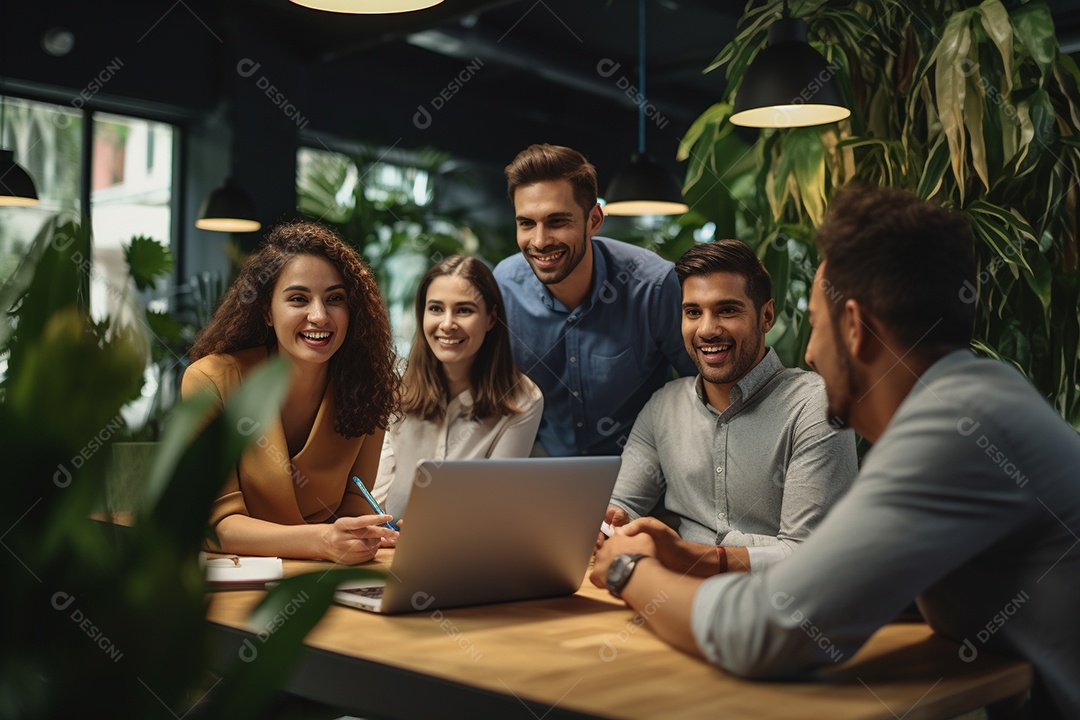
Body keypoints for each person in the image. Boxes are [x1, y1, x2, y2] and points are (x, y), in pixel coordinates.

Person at [590, 185, 1080, 719]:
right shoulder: (980, 399)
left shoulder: (955, 429)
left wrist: (629, 572)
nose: (809, 352)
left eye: (816, 324)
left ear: (854, 327)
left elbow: (762, 631)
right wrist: (691, 558)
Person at [600, 239, 857, 573]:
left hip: (776, 596)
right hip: (674, 586)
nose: (707, 330)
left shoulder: (816, 405)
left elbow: (809, 553)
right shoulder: (663, 405)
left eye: (727, 310)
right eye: (693, 312)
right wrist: (611, 524)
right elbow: (621, 506)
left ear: (766, 316)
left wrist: (692, 556)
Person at [182, 220, 400, 565]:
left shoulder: (367, 385)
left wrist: (364, 533)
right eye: (299, 299)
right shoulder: (212, 380)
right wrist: (322, 541)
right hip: (240, 577)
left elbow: (355, 501)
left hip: (324, 574)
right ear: (266, 311)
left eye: (335, 299)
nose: (319, 316)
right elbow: (216, 526)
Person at [493, 143, 696, 457]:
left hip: (643, 470)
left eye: (557, 221)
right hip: (544, 470)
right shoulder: (505, 285)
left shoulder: (653, 286)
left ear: (594, 220)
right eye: (527, 223)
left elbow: (704, 387)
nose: (540, 241)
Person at [370, 255, 543, 519]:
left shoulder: (522, 399)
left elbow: (494, 504)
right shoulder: (395, 387)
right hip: (388, 538)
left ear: (491, 318)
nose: (447, 324)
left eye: (464, 310)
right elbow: (377, 491)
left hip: (469, 541)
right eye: (436, 309)